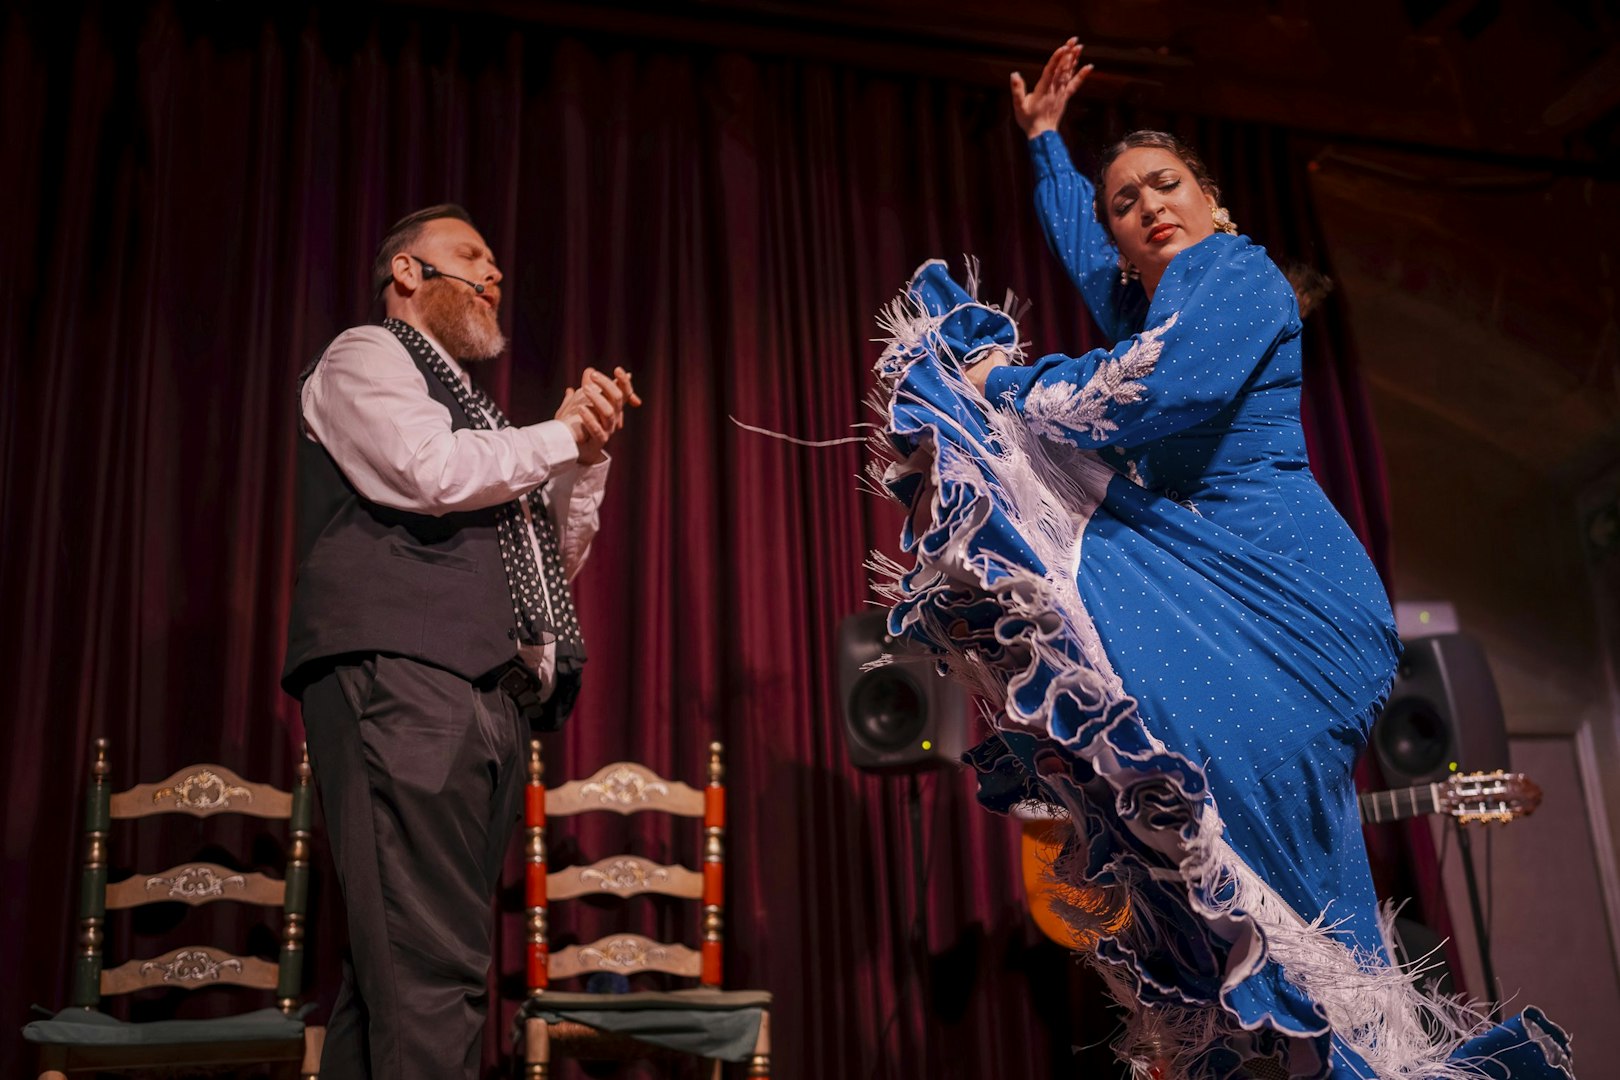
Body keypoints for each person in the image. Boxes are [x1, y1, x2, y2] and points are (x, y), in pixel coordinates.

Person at [871, 42, 1574, 1079]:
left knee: (1227, 822)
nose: (1147, 206)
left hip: (1281, 596)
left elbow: (1152, 391)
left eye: (1168, 185)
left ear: (1216, 206)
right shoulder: (1165, 297)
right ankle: (1325, 1046)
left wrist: (1005, 384)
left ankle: (1340, 1046)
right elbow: (1094, 266)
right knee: (1251, 866)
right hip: (1218, 585)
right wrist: (1046, 145)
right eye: (1125, 203)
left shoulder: (1235, 279)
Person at [282, 204, 639, 1080]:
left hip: (486, 695)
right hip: (403, 679)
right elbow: (428, 473)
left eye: (494, 262)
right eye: (470, 256)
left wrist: (581, 455)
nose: (493, 272)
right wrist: (553, 434)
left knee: (394, 981)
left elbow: (542, 560)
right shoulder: (367, 355)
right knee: (430, 976)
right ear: (408, 273)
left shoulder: (480, 417)